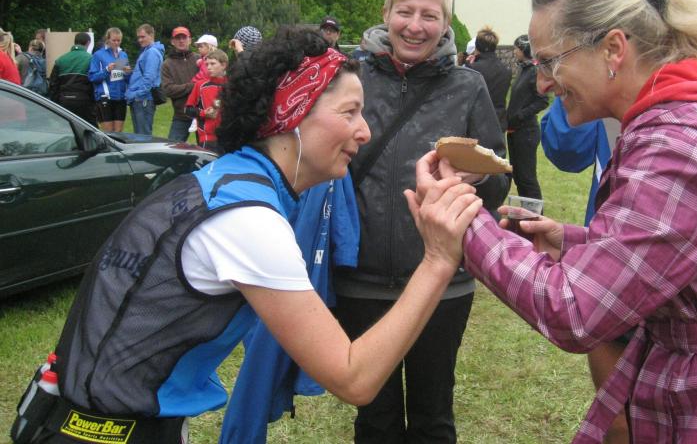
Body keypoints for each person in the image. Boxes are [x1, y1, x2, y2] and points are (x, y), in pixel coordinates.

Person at [20, 27, 479, 444]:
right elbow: (353, 377)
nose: (365, 131)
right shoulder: (248, 220)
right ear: (291, 114)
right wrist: (438, 259)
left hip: (86, 417)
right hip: (105, 432)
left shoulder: (227, 178)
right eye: (350, 112)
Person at [414, 0, 697, 443]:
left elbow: (575, 311)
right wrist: (576, 242)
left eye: (551, 62)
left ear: (613, 49)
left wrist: (461, 217)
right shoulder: (673, 124)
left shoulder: (676, 147)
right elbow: (681, 251)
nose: (543, 84)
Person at [334, 0, 510, 443]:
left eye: (429, 15)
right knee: (375, 416)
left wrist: (479, 177)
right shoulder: (352, 79)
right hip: (360, 280)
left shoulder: (468, 86)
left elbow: (498, 184)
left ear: (446, 21)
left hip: (442, 285)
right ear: (386, 13)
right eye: (405, 11)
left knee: (433, 416)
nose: (415, 26)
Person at [540, 0, 683, 443]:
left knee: (665, 416)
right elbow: (564, 152)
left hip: (673, 284)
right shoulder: (605, 74)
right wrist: (572, 83)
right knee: (617, 417)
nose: (632, 3)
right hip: (608, 257)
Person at [506, 34, 549, 200]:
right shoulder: (523, 70)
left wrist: (520, 115)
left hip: (526, 133)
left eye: (517, 48)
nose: (514, 51)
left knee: (527, 178)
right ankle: (526, 212)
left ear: (525, 49)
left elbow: (542, 101)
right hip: (515, 131)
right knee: (518, 176)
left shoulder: (534, 71)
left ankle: (535, 213)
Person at [466, 26, 512, 131]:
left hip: (478, 122)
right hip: (498, 121)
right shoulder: (506, 69)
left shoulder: (473, 68)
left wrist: (468, 65)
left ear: (477, 47)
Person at [184, 48, 228, 154]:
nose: (208, 67)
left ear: (223, 65)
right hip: (208, 138)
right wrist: (204, 113)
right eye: (207, 64)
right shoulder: (200, 85)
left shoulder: (232, 85)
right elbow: (187, 110)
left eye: (212, 64)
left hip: (229, 137)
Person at [161, 26, 200, 142]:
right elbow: (168, 90)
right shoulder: (167, 64)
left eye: (184, 38)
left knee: (208, 149)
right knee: (172, 147)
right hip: (181, 115)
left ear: (190, 40)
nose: (181, 41)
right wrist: (192, 86)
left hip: (202, 114)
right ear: (172, 42)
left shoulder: (200, 59)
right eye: (178, 38)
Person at [88, 27, 131, 132]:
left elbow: (126, 78)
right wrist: (107, 70)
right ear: (107, 39)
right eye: (114, 40)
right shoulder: (98, 55)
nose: (116, 43)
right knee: (109, 133)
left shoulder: (123, 54)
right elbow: (92, 77)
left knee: (118, 132)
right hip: (105, 97)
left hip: (120, 97)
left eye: (119, 40)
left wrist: (127, 73)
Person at [125, 23, 165, 135]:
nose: (140, 40)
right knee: (139, 135)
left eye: (143, 37)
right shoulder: (146, 51)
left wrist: (137, 94)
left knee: (143, 136)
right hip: (140, 99)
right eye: (138, 37)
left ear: (151, 35)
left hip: (143, 100)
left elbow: (149, 77)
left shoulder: (152, 52)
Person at [48, 32, 95, 125]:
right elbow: (94, 82)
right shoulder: (91, 58)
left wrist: (55, 102)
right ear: (88, 43)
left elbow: (53, 84)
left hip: (64, 100)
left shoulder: (60, 59)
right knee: (88, 128)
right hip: (84, 101)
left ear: (75, 42)